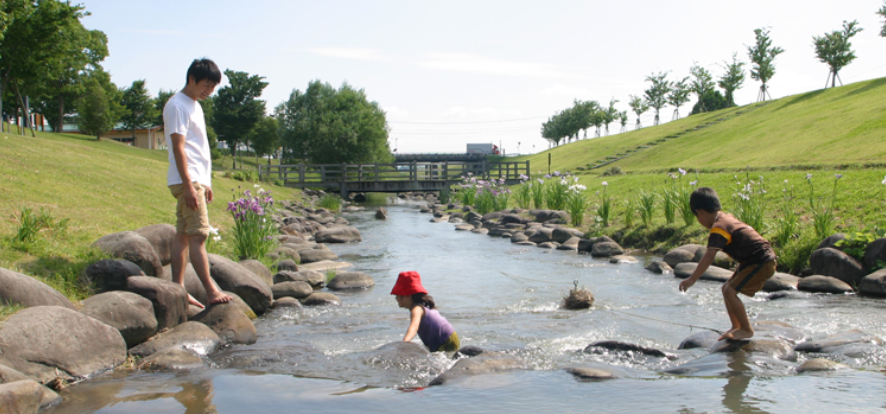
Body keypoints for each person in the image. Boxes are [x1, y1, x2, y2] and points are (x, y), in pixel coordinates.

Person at [164, 58, 232, 308]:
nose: (209, 91)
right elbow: (179, 147)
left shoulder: (194, 105)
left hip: (195, 179)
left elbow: (200, 147)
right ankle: (211, 291)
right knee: (199, 236)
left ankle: (179, 288)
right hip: (187, 179)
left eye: (213, 88)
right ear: (191, 78)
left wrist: (206, 181)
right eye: (206, 85)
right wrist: (191, 185)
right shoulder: (177, 105)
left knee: (182, 235)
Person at [678, 187, 777, 341]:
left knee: (730, 291)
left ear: (700, 212)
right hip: (753, 260)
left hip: (761, 261)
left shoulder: (719, 227)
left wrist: (692, 279)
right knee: (726, 289)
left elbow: (709, 255)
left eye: (697, 218)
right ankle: (736, 326)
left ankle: (745, 329)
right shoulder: (725, 218)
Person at [391, 271, 460, 352]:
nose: (396, 298)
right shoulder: (421, 306)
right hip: (449, 336)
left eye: (398, 295)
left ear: (408, 296)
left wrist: (405, 342)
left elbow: (414, 326)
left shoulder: (416, 309)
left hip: (445, 340)